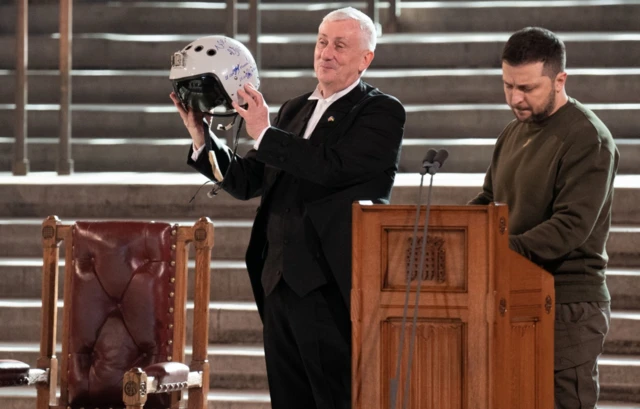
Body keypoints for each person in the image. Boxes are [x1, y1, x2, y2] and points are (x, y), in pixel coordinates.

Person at [170, 7, 405, 409]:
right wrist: (203, 139)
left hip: (330, 285)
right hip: (277, 282)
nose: (326, 53)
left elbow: (331, 169)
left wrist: (264, 132)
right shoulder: (294, 110)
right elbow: (249, 181)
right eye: (322, 41)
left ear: (366, 58)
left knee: (334, 399)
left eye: (340, 45)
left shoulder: (381, 111)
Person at [469, 27, 619, 408]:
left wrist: (494, 248)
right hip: (513, 293)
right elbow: (491, 199)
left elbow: (569, 227)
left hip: (567, 304)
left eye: (528, 88)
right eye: (508, 86)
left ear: (559, 80)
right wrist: (458, 231)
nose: (515, 99)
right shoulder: (512, 131)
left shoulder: (587, 137)